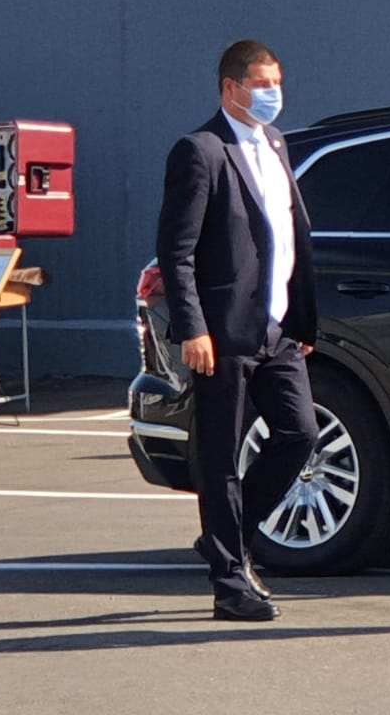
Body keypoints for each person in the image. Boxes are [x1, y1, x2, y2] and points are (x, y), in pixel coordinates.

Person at [156, 39, 318, 622]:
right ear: (231, 88)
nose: (274, 94)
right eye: (262, 84)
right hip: (222, 332)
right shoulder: (201, 151)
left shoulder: (275, 143)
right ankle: (229, 584)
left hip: (276, 328)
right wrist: (193, 328)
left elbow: (288, 237)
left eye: (278, 83)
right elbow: (176, 251)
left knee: (299, 432)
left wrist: (300, 318)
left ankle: (227, 536)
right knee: (220, 455)